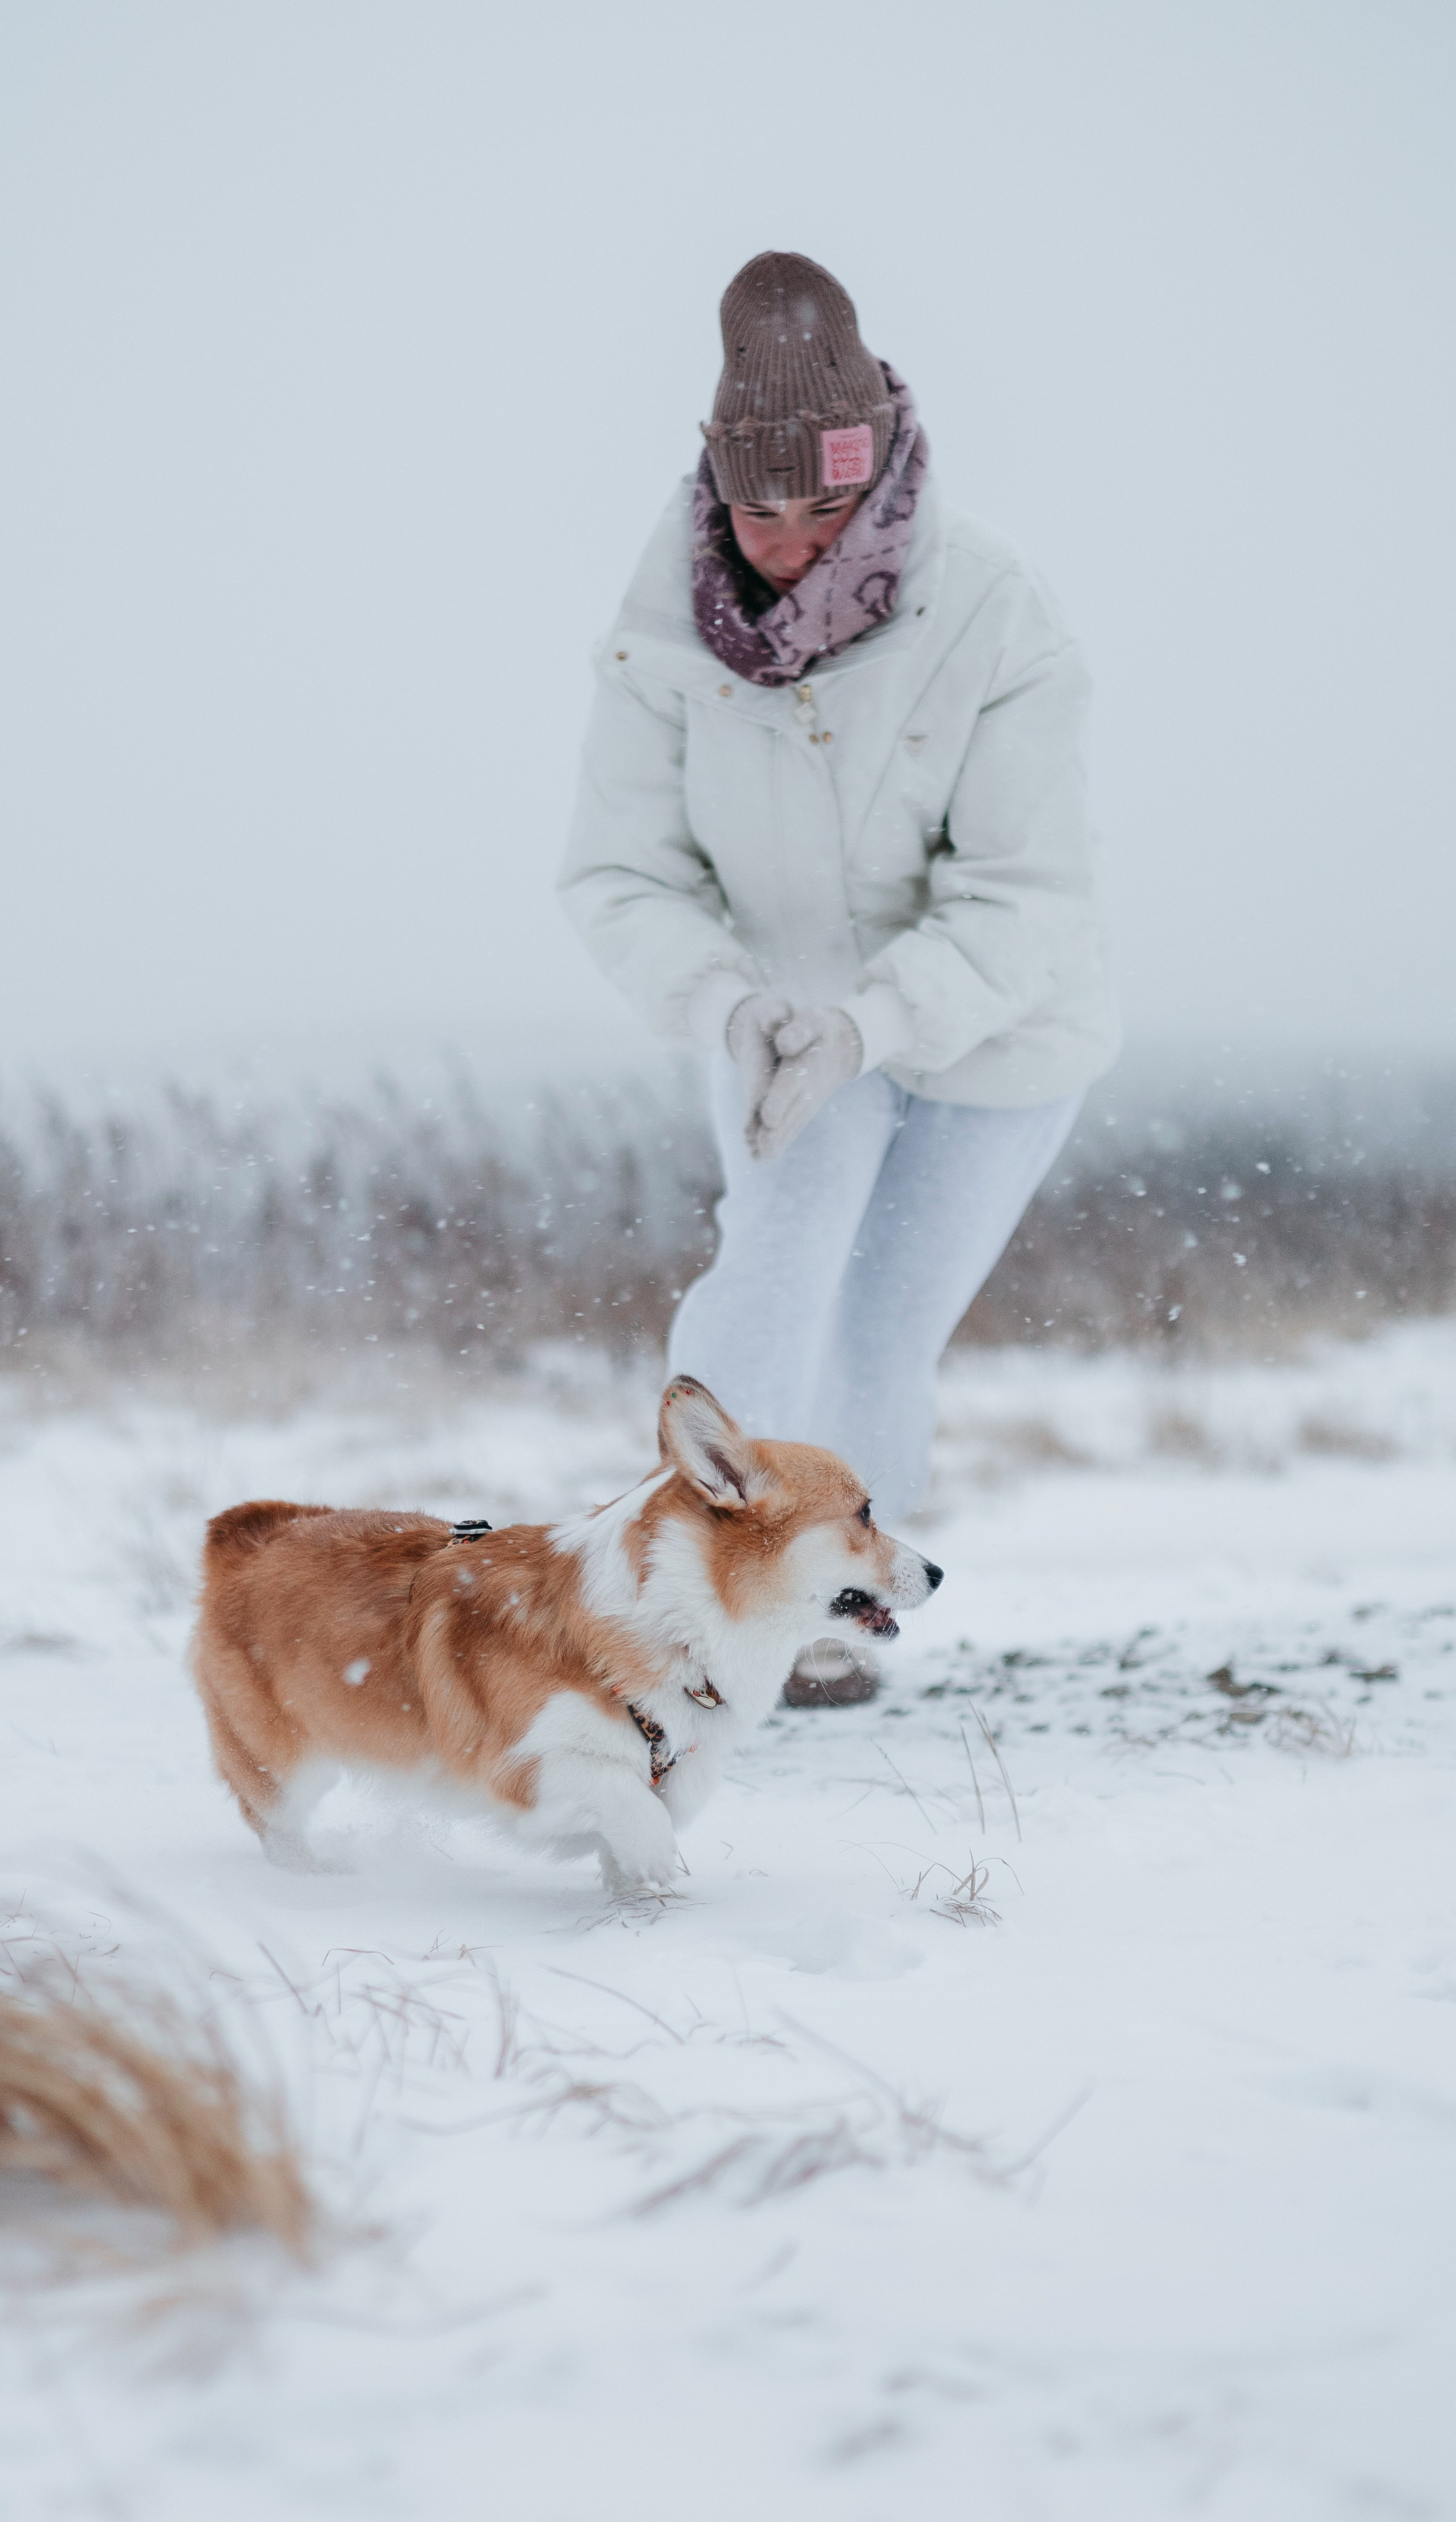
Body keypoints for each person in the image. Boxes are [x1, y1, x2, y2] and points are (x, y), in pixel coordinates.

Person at [559, 252, 1118, 1704]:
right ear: (714, 487)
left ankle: (826, 1615)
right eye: (761, 508)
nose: (794, 539)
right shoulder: (660, 632)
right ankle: (675, 1591)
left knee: (881, 1329)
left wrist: (879, 1021)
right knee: (776, 1273)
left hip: (997, 1036)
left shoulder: (997, 613)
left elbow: (1024, 895)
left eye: (828, 505)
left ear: (878, 476)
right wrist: (728, 1006)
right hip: (777, 1015)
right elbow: (622, 876)